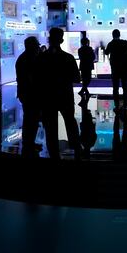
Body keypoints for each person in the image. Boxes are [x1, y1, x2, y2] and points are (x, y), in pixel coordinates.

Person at [36, 28, 82, 160]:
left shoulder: (41, 58)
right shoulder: (68, 58)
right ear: (61, 40)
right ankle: (76, 149)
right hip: (65, 96)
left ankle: (53, 155)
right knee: (70, 122)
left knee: (50, 128)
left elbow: (37, 80)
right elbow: (76, 78)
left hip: (48, 98)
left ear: (50, 39)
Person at [15, 36, 41, 158]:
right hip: (30, 94)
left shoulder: (24, 58)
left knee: (31, 119)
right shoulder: (27, 59)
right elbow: (30, 79)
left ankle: (30, 143)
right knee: (30, 119)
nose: (39, 46)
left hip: (27, 94)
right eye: (37, 44)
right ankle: (28, 144)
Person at [104, 29, 127, 111]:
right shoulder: (124, 43)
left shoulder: (111, 43)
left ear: (112, 35)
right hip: (124, 68)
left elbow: (106, 53)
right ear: (119, 35)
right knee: (125, 87)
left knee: (115, 88)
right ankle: (125, 105)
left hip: (115, 69)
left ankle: (116, 106)